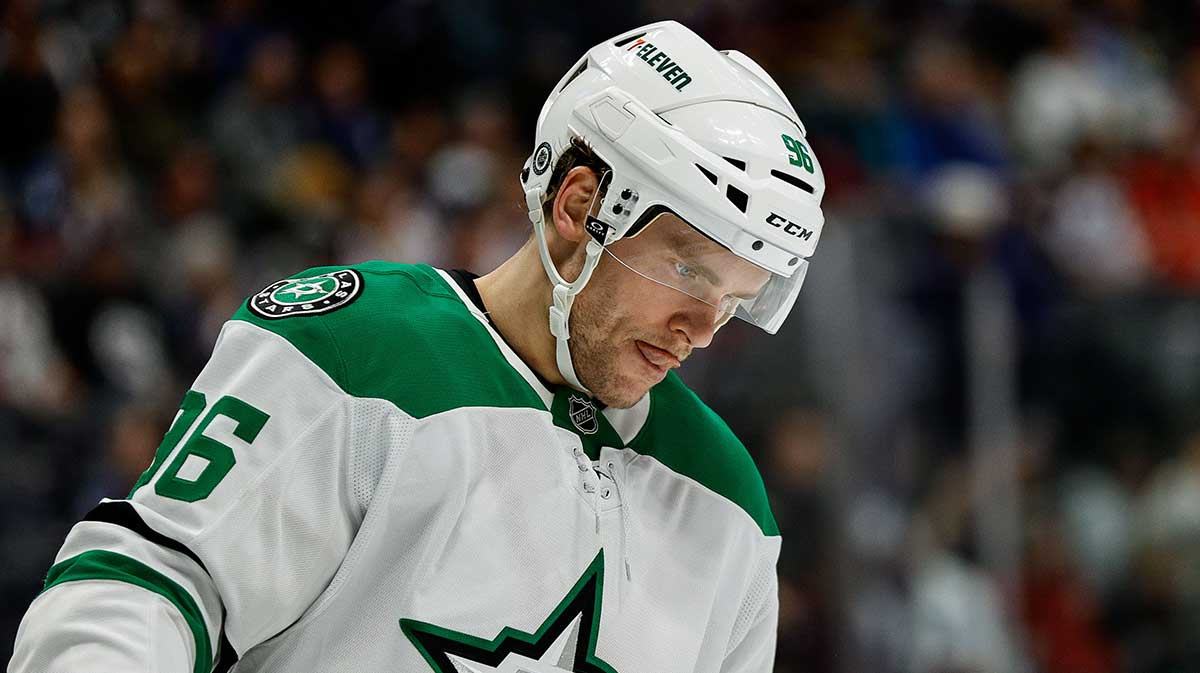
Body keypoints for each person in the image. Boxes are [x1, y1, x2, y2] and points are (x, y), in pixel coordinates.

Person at [9, 20, 825, 673]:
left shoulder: (729, 504)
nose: (706, 326)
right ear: (581, 204)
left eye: (735, 297)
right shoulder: (353, 348)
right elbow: (149, 588)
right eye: (689, 268)